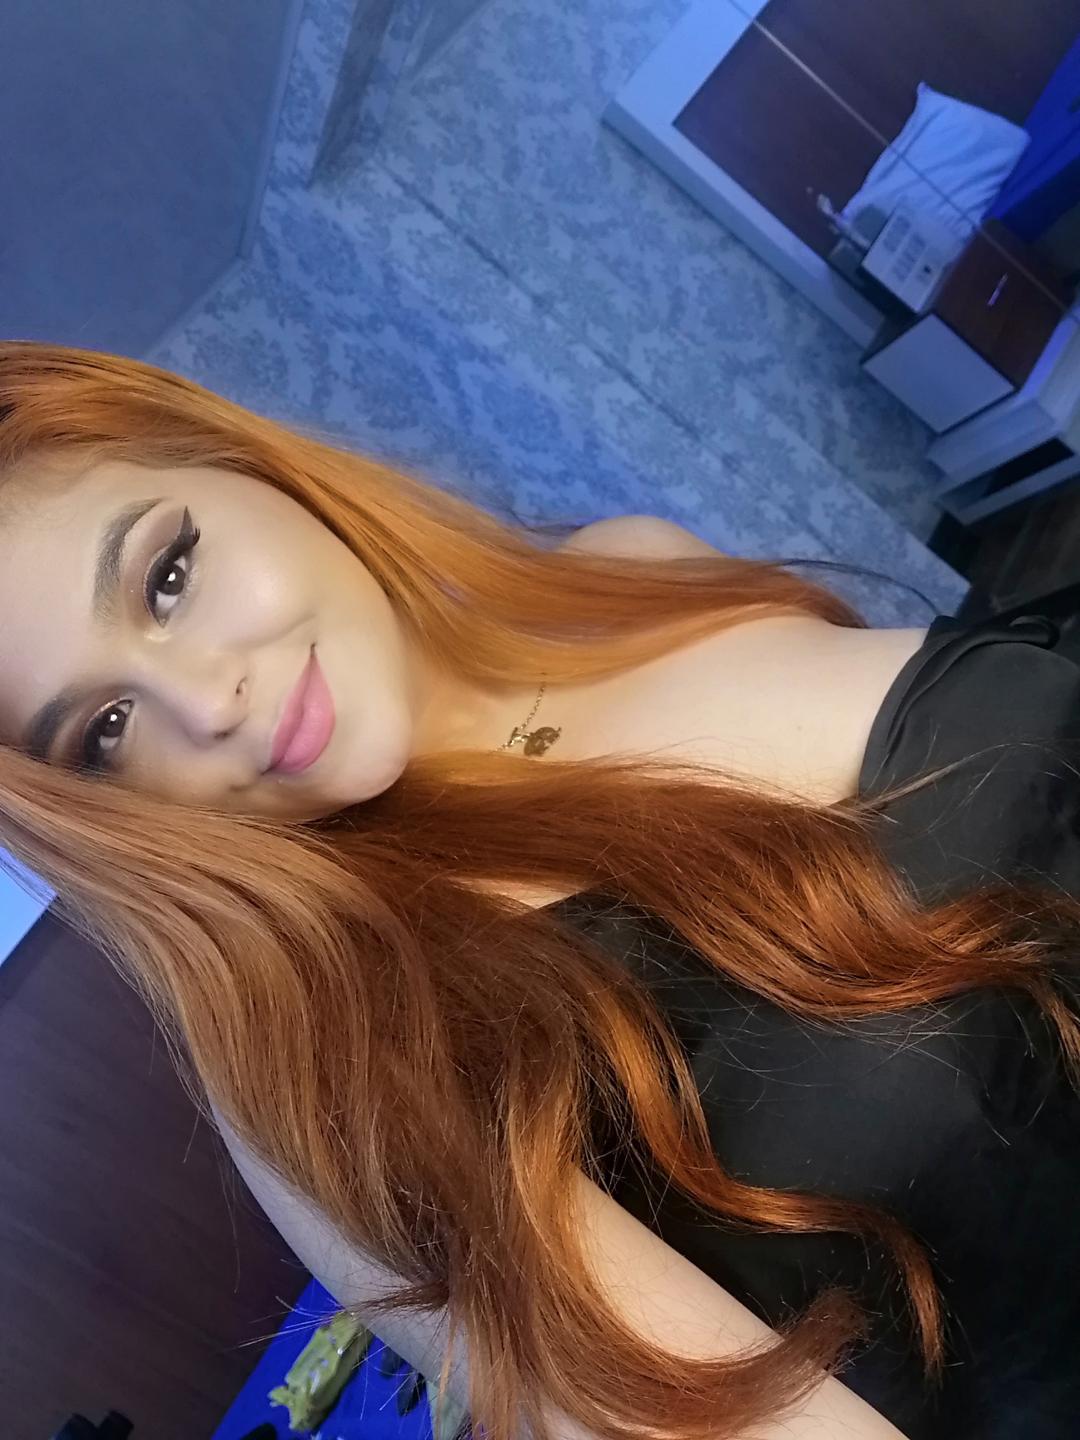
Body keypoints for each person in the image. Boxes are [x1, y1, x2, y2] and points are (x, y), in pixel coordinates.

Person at [1, 341, 1078, 1440]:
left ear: (241, 462)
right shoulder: (321, 1061)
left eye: (168, 577)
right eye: (107, 731)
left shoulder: (627, 569)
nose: (207, 704)